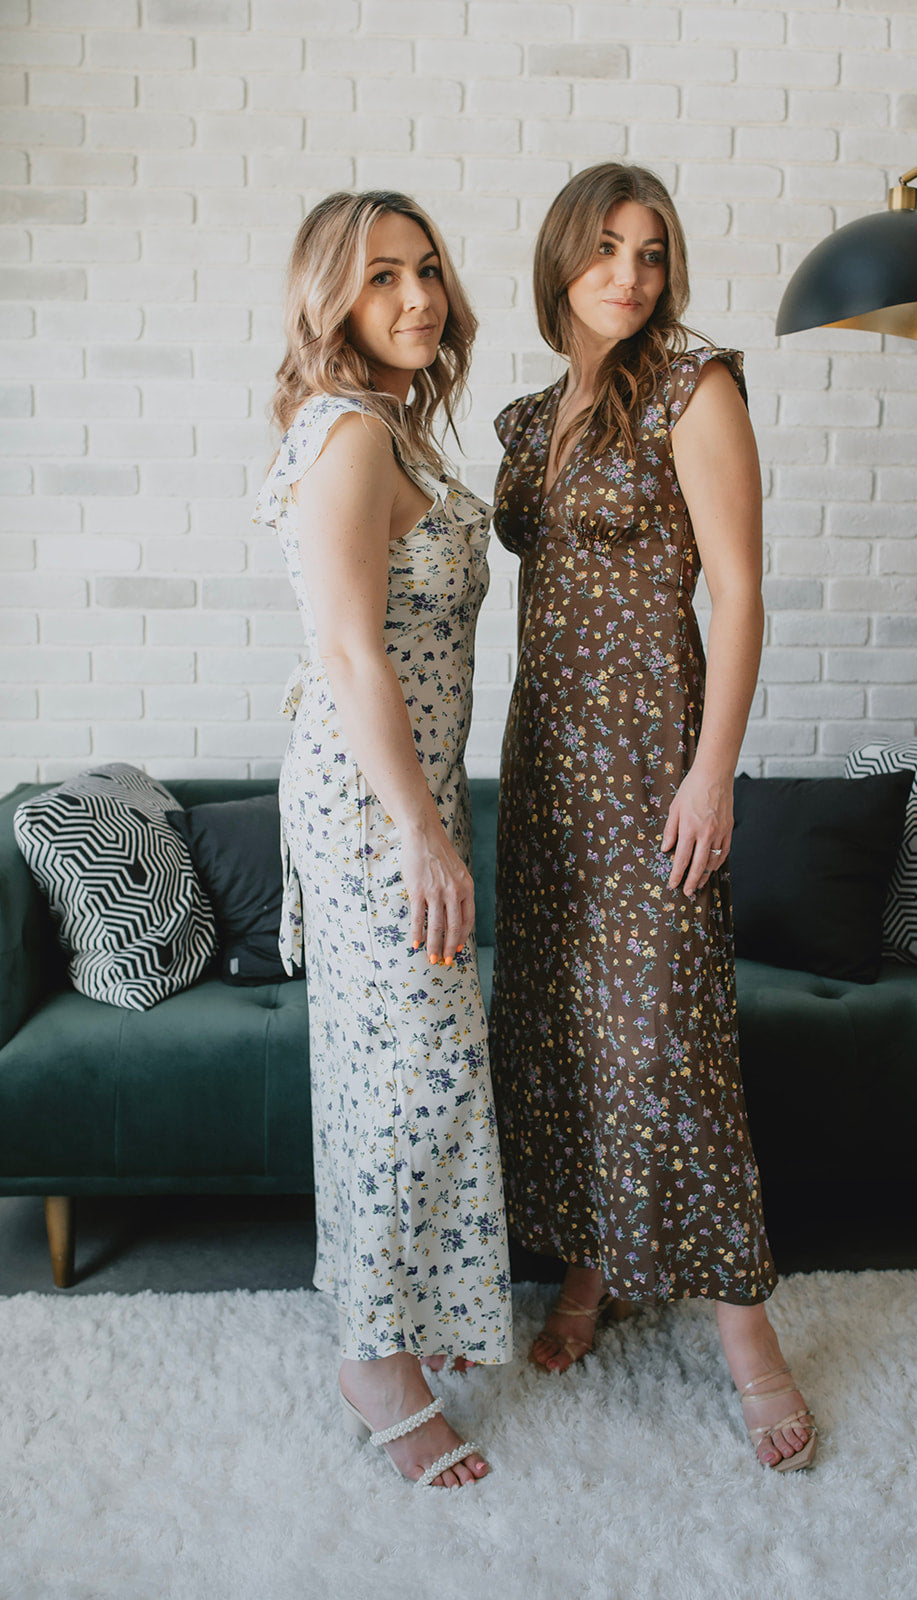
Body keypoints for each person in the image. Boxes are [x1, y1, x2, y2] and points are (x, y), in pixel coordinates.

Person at [489, 163, 816, 1471]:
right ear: (561, 260)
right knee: (567, 1030)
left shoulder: (696, 385)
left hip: (653, 768)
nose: (629, 274)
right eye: (607, 249)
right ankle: (591, 1269)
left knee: (669, 1048)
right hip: (546, 771)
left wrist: (712, 770)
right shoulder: (531, 420)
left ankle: (750, 1342)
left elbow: (741, 592)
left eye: (653, 252)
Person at [255, 190, 512, 1490]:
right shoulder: (353, 435)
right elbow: (353, 653)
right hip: (373, 806)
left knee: (387, 1073)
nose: (416, 297)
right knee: (421, 1070)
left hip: (404, 792)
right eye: (380, 278)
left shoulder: (390, 428)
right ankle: (373, 1362)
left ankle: (398, 1313)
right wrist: (419, 831)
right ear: (334, 301)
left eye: (426, 271)